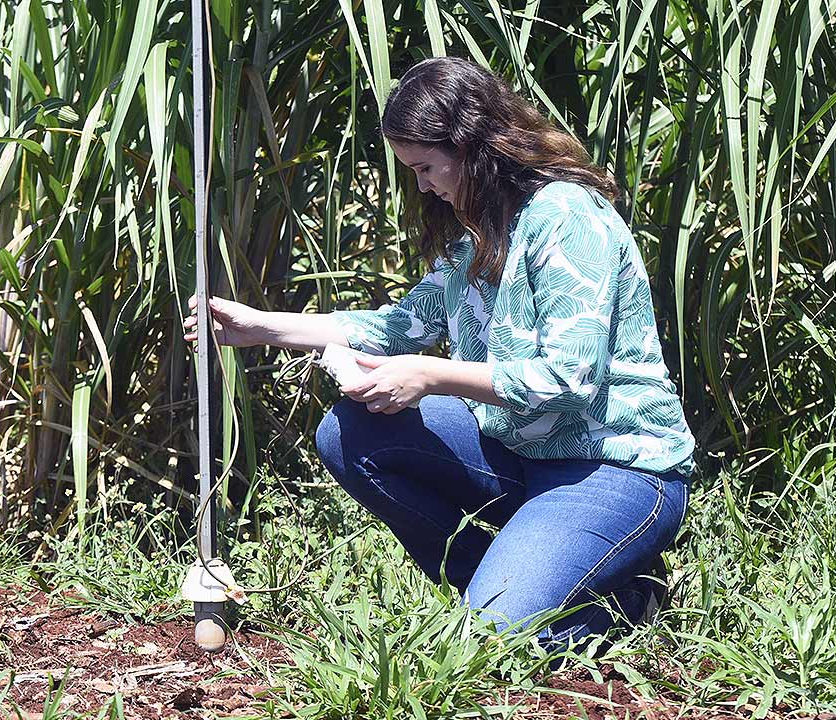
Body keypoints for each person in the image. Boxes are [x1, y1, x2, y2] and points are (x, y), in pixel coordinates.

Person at [182, 56, 695, 648]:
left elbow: (568, 377)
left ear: (472, 147)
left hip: (615, 466)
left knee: (497, 639)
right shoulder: (479, 228)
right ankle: (511, 581)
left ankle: (623, 600)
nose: (422, 184)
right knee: (351, 433)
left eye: (426, 167)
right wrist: (261, 328)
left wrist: (430, 374)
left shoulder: (567, 218)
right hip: (517, 451)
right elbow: (403, 326)